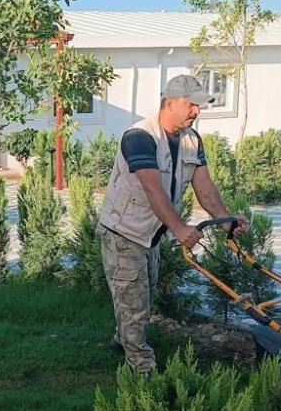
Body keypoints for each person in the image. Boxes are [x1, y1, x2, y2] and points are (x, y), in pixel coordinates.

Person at [98, 74, 249, 376]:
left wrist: (226, 221)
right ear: (169, 103)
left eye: (200, 106)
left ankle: (123, 338)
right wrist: (180, 228)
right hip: (123, 232)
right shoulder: (139, 136)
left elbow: (204, 187)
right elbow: (153, 188)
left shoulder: (192, 140)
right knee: (134, 301)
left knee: (143, 294)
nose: (197, 111)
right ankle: (142, 369)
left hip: (150, 233)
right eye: (192, 105)